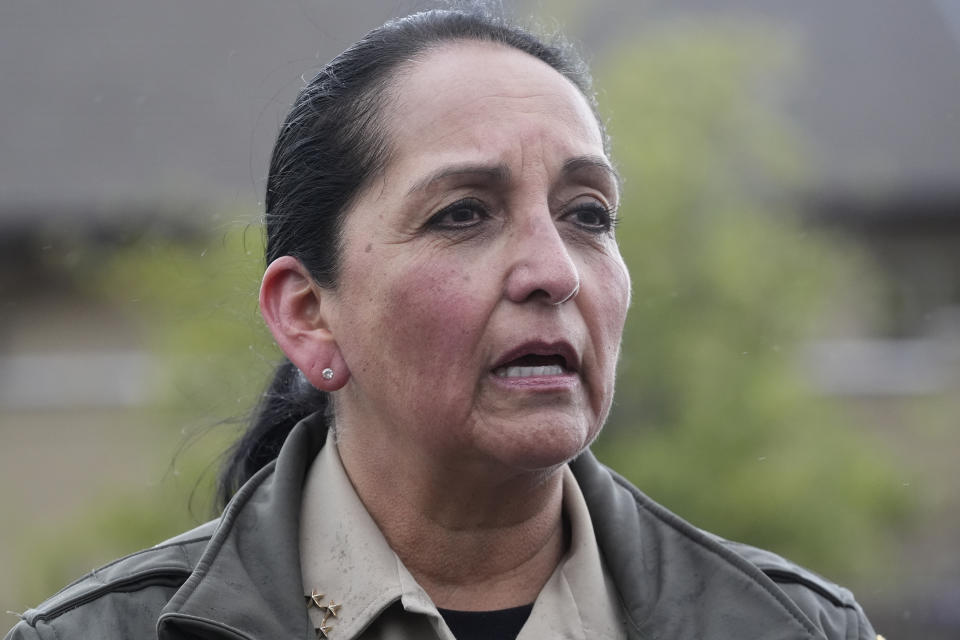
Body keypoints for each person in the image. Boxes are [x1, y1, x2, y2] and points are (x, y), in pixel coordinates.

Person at [5, 8, 879, 640]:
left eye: (587, 214)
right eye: (464, 214)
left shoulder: (793, 626)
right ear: (309, 316)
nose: (552, 272)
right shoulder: (106, 633)